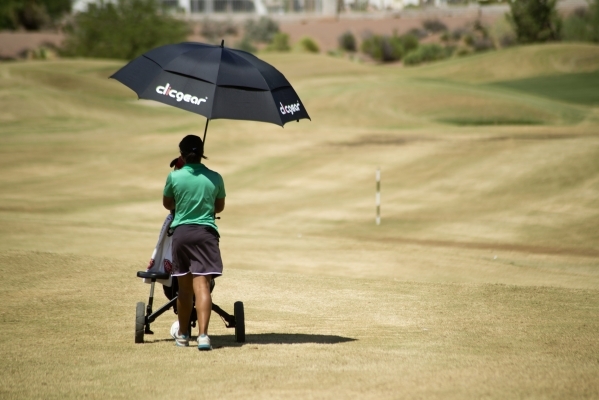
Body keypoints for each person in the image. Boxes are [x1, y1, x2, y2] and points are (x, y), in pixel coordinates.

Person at [162, 134, 226, 351]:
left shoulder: (175, 177)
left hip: (182, 234)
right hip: (206, 234)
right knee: (202, 287)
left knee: (184, 290)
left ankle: (182, 335)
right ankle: (204, 336)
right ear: (202, 154)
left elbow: (167, 203)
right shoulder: (215, 177)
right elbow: (219, 208)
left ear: (181, 154)